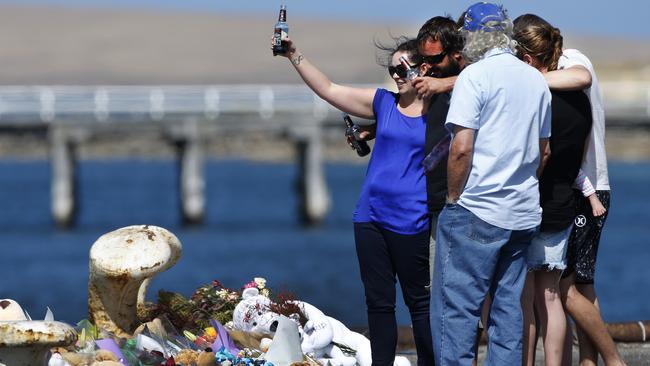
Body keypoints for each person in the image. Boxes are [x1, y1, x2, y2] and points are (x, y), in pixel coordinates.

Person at [273, 36, 435, 365]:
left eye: (403, 69)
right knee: (379, 303)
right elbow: (330, 89)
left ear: (425, 68)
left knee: (420, 304)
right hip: (370, 218)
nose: (397, 77)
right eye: (393, 71)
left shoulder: (444, 110)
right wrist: (294, 54)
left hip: (412, 221)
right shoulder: (383, 103)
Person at [429, 3, 551, 365]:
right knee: (507, 310)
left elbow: (461, 148)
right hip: (523, 213)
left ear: (474, 37)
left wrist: (453, 197)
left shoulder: (474, 77)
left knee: (456, 313)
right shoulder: (535, 79)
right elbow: (544, 153)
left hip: (476, 209)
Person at [513, 14, 626, 366]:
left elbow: (583, 76)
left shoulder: (573, 61)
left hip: (587, 185)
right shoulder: (555, 72)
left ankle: (612, 360)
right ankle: (590, 362)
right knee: (579, 285)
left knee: (567, 290)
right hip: (581, 185)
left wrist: (528, 78)